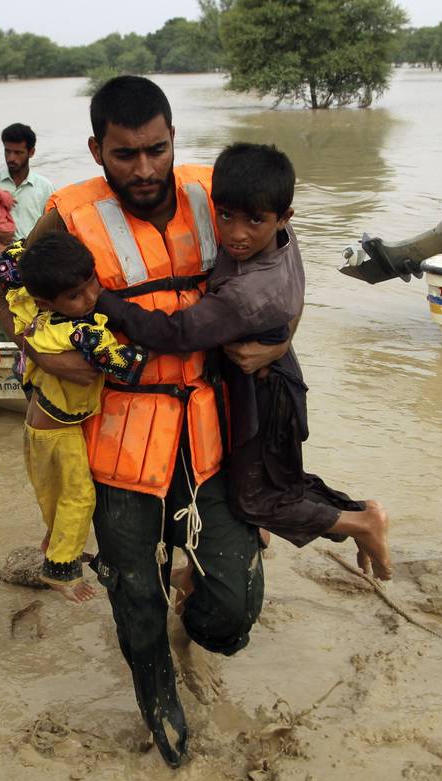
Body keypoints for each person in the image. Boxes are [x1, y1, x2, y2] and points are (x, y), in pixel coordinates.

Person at [0, 75, 283, 767]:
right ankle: (157, 699)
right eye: (126, 155)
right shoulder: (67, 214)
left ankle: (199, 609)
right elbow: (6, 297)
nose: (145, 169)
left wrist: (281, 339)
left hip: (209, 430)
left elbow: (284, 264)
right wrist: (38, 352)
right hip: (117, 440)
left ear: (175, 138)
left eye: (157, 149)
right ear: (97, 149)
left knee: (235, 609)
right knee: (133, 596)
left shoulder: (216, 194)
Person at [92, 143, 393, 570]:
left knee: (255, 498)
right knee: (276, 479)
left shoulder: (247, 293)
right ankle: (360, 514)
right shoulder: (281, 237)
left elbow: (174, 333)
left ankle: (360, 522)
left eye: (254, 221)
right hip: (271, 368)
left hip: (267, 393)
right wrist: (285, 339)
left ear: (283, 217)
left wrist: (102, 300)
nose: (236, 234)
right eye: (226, 215)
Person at [0, 235, 147, 601]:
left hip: (37, 428)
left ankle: (52, 540)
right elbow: (126, 367)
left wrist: (26, 257)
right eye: (76, 295)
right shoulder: (84, 335)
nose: (91, 297)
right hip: (60, 432)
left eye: (92, 283)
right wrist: (149, 347)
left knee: (52, 494)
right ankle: (61, 570)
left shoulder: (32, 308)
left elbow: (7, 265)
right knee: (79, 497)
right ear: (50, 300)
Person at [0, 123, 56, 240]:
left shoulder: (45, 188)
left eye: (18, 153)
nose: (11, 158)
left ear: (31, 152)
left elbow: (52, 228)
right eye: (7, 151)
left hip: (30, 256)